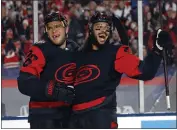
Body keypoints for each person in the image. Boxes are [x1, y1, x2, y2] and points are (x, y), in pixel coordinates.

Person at [69, 11, 173, 129]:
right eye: (99, 27)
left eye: (107, 28)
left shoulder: (115, 53)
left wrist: (157, 50)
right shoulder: (76, 55)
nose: (103, 31)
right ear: (91, 29)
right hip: (74, 118)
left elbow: (145, 71)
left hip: (100, 116)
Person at [17, 11, 78, 129]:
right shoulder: (39, 49)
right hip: (45, 116)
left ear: (66, 28)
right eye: (49, 27)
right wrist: (53, 90)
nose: (54, 30)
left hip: (71, 115)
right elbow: (24, 82)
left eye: (57, 26)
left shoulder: (75, 49)